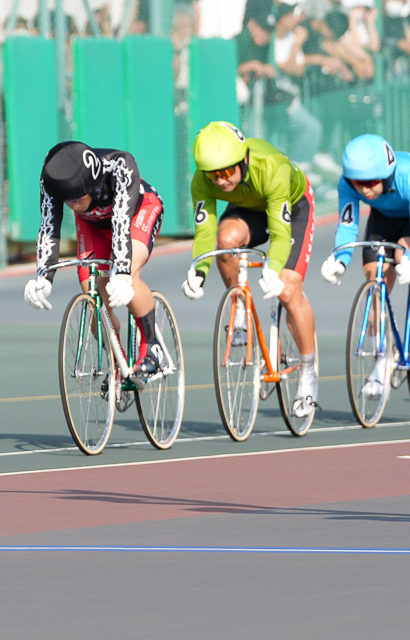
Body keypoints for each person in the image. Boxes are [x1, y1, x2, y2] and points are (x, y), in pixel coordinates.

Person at [181, 121, 319, 419]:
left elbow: (280, 235)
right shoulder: (202, 181)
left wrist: (273, 268)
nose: (220, 181)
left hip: (291, 206)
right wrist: (198, 271)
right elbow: (205, 235)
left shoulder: (271, 167)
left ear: (243, 159)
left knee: (288, 288)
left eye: (227, 171)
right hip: (247, 208)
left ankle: (308, 371)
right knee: (225, 240)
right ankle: (240, 308)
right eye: (212, 174)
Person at [23, 141, 169, 380]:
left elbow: (121, 224)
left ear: (92, 185)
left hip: (137, 212)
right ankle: (118, 367)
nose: (73, 204)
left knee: (127, 273)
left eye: (77, 198)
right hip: (92, 225)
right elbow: (49, 226)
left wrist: (121, 273)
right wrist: (44, 276)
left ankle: (152, 344)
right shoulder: (52, 176)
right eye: (67, 200)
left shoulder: (121, 166)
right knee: (95, 298)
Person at [322, 135, 410, 407]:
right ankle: (382, 361)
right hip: (385, 216)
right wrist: (340, 259)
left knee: (404, 255)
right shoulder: (347, 183)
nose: (364, 190)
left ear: (387, 173)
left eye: (370, 183)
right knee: (374, 281)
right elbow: (347, 225)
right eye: (358, 184)